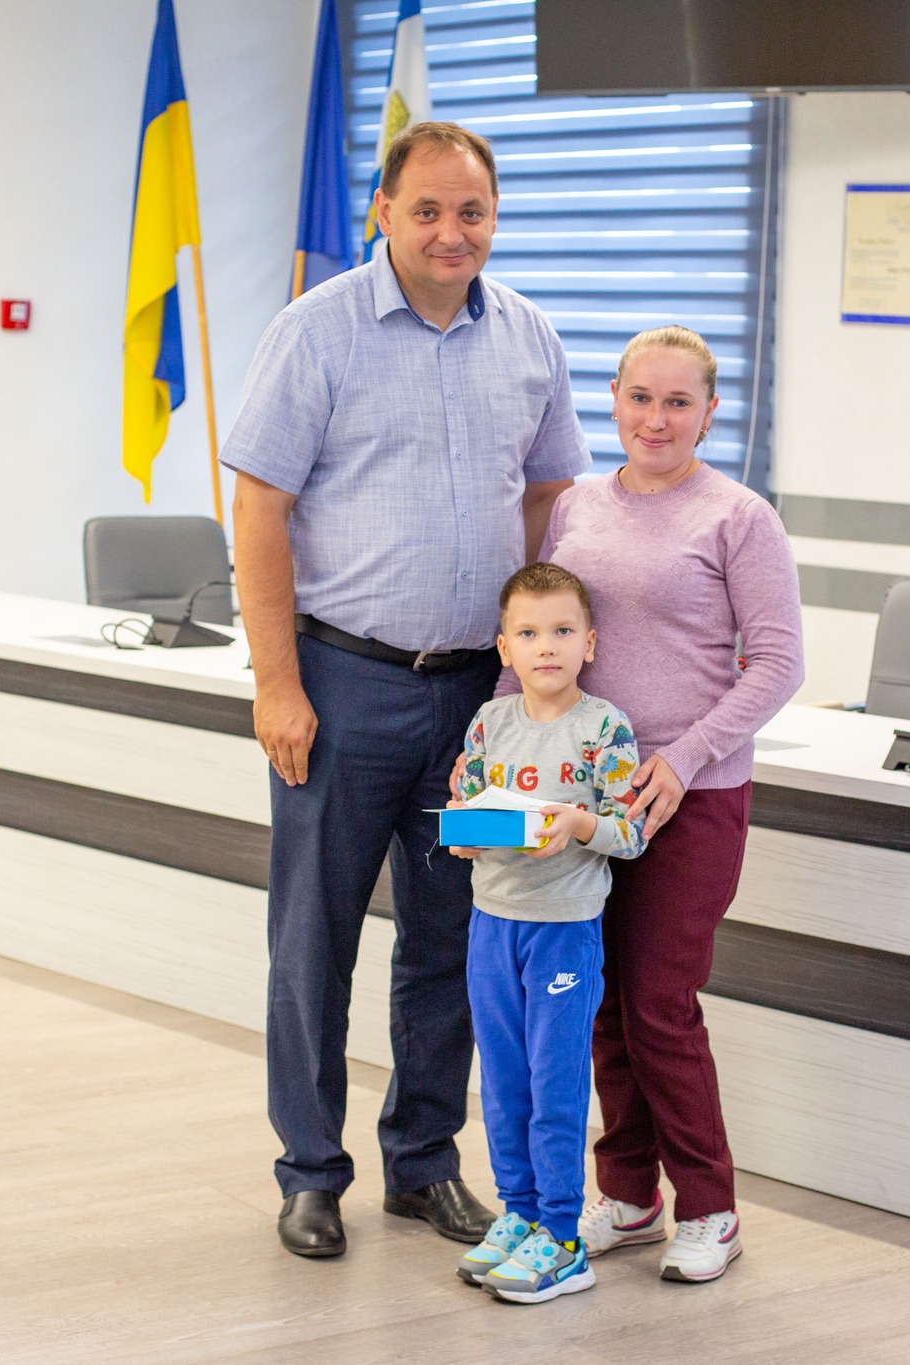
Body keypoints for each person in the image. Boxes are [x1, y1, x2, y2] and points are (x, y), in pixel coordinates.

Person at [222, 122, 591, 1259]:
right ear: (383, 212)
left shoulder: (526, 336)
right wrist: (276, 683)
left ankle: (422, 1163)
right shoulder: (316, 330)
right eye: (425, 210)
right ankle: (310, 1172)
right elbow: (260, 509)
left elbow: (547, 501)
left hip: (479, 706)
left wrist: (535, 667)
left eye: (470, 212)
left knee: (455, 940)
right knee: (315, 943)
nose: (449, 232)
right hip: (342, 688)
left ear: (495, 218)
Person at [471, 325, 805, 1282]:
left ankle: (710, 1206)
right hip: (581, 798)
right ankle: (627, 1194)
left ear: (710, 412)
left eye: (678, 402)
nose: (656, 419)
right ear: (613, 400)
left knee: (659, 1003)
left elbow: (779, 663)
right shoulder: (576, 505)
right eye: (640, 398)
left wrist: (685, 758)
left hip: (691, 797)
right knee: (600, 1005)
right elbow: (536, 637)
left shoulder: (739, 517)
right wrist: (495, 762)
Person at [446, 563, 645, 1305]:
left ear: (589, 642)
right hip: (491, 925)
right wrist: (464, 834)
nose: (547, 646)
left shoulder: (604, 727)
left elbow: (632, 831)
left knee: (553, 1083)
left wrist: (581, 823)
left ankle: (562, 1238)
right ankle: (520, 1214)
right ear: (505, 648)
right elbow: (466, 809)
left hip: (563, 932)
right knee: (503, 1082)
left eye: (563, 631)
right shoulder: (489, 722)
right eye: (529, 633)